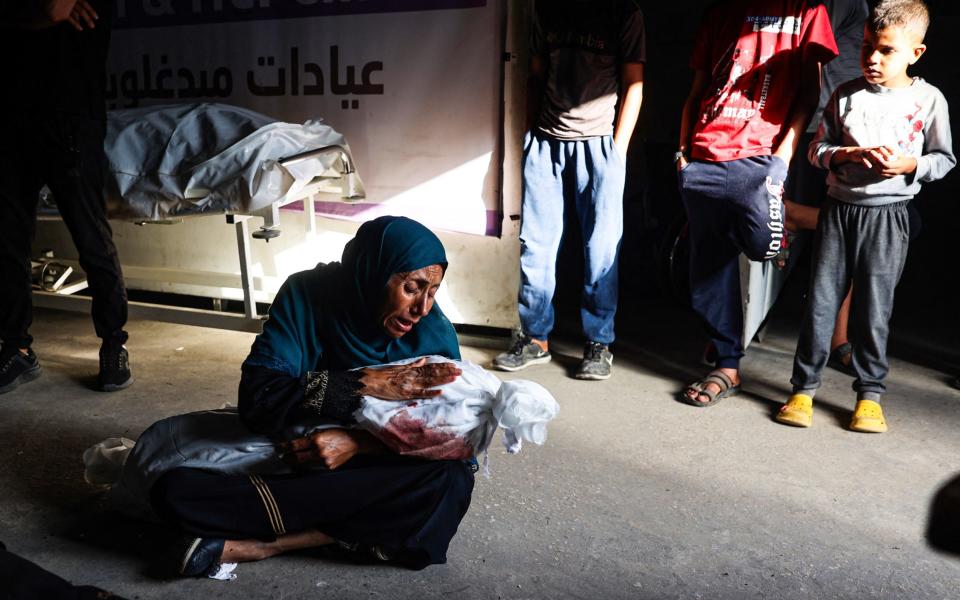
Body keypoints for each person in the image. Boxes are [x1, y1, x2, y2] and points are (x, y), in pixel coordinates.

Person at [146, 216, 476, 576]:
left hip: (368, 465)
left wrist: (355, 443)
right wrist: (361, 383)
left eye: (433, 292)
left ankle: (264, 545)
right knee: (175, 491)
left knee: (449, 479)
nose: (422, 308)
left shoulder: (433, 335)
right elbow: (260, 398)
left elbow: (452, 435)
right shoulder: (308, 295)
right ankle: (360, 534)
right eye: (413, 287)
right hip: (291, 454)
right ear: (373, 270)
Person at [776, 0, 954, 432]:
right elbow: (816, 151)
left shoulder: (929, 99)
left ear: (916, 52)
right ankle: (803, 390)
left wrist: (910, 165)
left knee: (875, 309)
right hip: (838, 212)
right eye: (867, 47)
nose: (873, 58)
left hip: (889, 216)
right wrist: (848, 154)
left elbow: (944, 159)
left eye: (886, 50)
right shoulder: (845, 94)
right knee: (820, 302)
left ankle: (870, 395)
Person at [676, 0, 838, 407]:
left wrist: (782, 159)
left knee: (763, 242)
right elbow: (697, 89)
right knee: (708, 272)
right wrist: (682, 154)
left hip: (759, 159)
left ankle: (787, 216)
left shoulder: (806, 10)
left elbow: (809, 94)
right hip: (704, 156)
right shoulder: (720, 10)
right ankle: (727, 365)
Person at [493, 0, 645, 381]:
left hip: (599, 145)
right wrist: (529, 135)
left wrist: (618, 152)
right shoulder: (549, 8)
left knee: (601, 248)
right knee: (536, 244)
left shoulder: (624, 11)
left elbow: (635, 84)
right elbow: (536, 75)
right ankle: (535, 338)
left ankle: (598, 343)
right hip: (546, 142)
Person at [0, 0, 132, 394]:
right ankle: (17, 347)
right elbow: (52, 11)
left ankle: (114, 345)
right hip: (11, 115)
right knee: (7, 239)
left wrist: (33, 16)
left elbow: (55, 10)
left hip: (72, 117)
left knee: (91, 238)